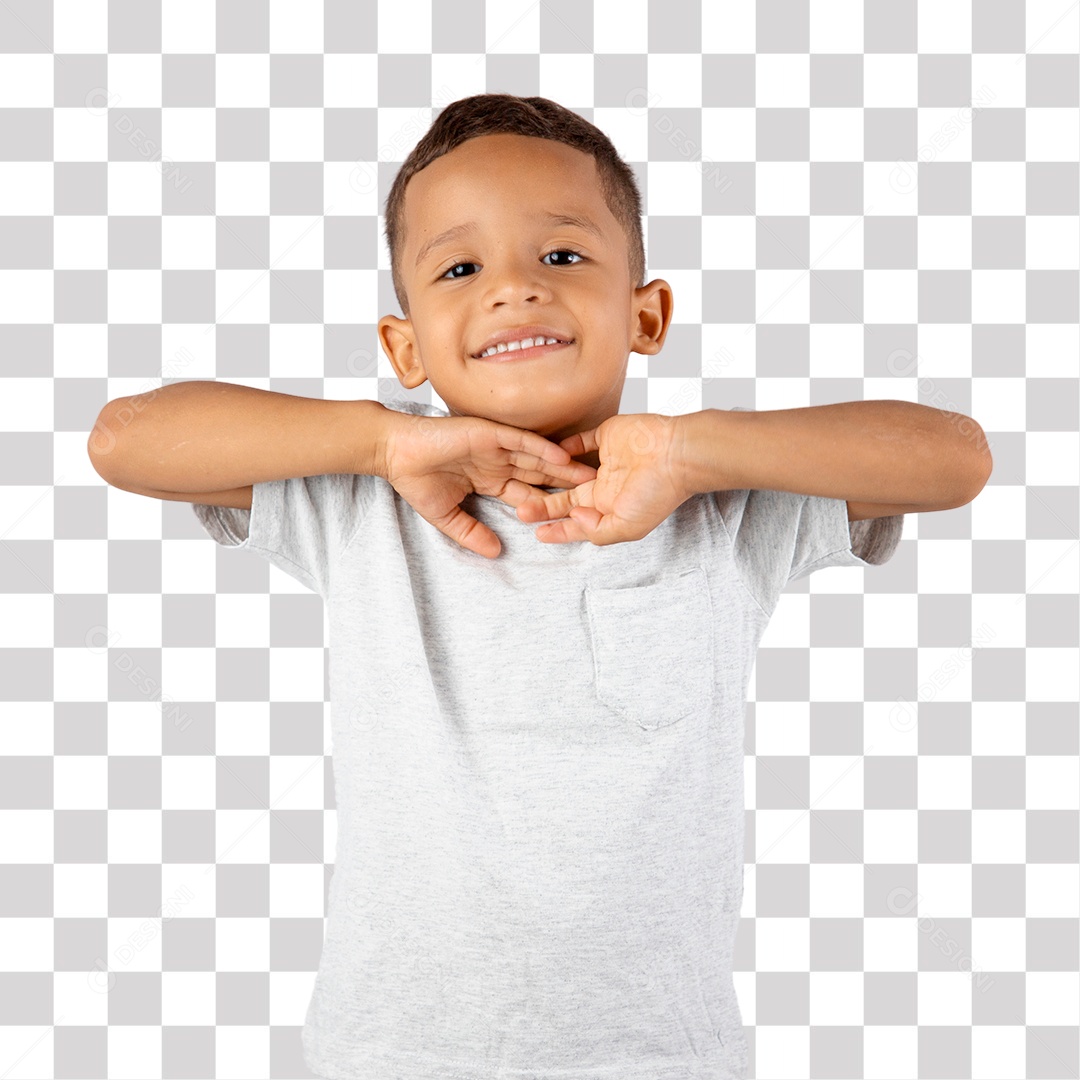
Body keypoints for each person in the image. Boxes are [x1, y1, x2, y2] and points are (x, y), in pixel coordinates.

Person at [87, 92, 991, 1080]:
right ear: (406, 347)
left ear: (645, 315)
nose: (514, 289)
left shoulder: (724, 504)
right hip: (393, 1055)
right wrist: (387, 439)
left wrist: (695, 449)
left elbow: (954, 460)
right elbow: (128, 439)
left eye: (562, 256)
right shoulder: (362, 501)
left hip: (663, 1058)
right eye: (461, 267)